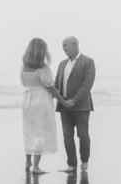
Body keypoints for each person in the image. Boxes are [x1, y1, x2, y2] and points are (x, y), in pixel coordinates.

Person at [54, 36, 95, 171]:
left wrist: (74, 100)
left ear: (74, 44)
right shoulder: (61, 64)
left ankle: (84, 161)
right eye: (62, 45)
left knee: (82, 134)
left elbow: (87, 85)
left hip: (81, 106)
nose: (63, 48)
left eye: (65, 45)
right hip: (64, 105)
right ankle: (71, 165)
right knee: (67, 135)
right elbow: (56, 85)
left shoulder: (88, 62)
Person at [19, 38, 60, 173]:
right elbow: (50, 86)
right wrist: (63, 101)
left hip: (28, 99)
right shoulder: (43, 67)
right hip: (41, 99)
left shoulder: (23, 66)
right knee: (40, 132)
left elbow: (23, 83)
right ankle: (36, 167)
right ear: (42, 50)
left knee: (29, 131)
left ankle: (27, 162)